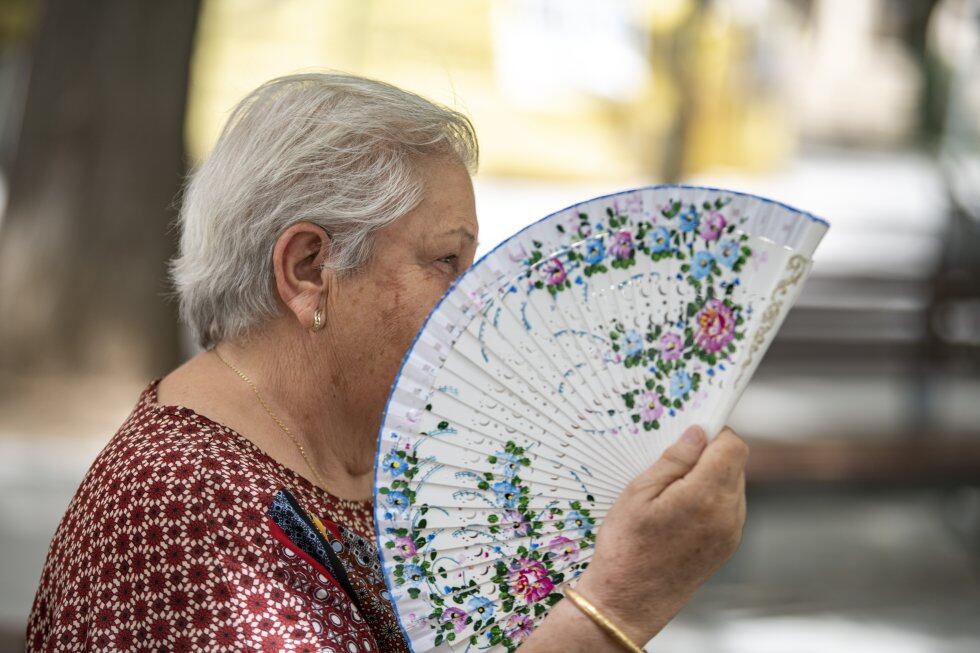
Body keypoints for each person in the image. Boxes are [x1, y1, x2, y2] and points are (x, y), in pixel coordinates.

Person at [26, 72, 748, 652]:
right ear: (310, 269)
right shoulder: (185, 510)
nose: (479, 308)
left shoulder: (356, 463)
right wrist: (613, 607)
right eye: (446, 262)